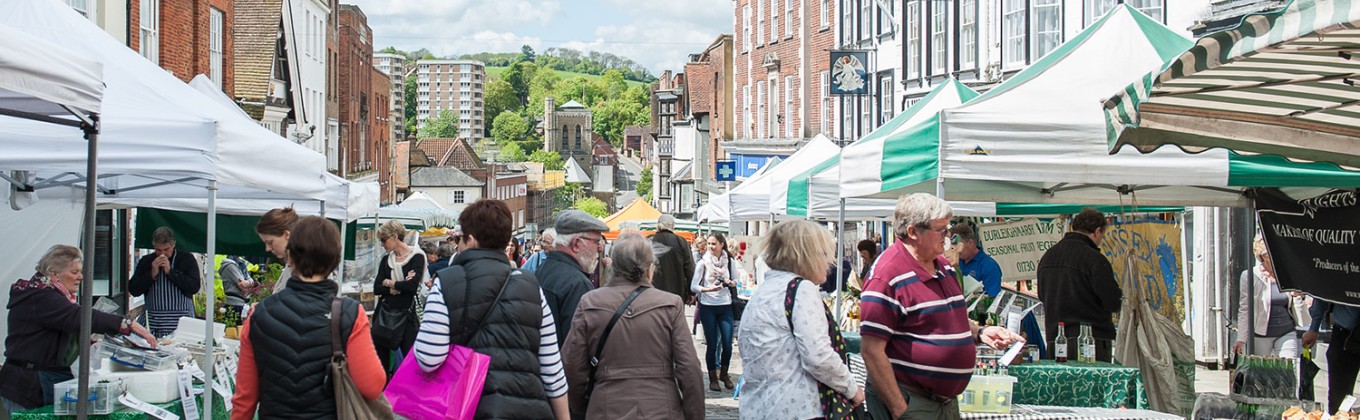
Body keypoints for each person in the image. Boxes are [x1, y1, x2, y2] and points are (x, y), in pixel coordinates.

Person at [860, 194, 1022, 420]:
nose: (948, 237)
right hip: (911, 400)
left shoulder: (943, 266)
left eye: (948, 229)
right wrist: (900, 409)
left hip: (943, 404)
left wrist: (980, 333)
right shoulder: (886, 277)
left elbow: (952, 319)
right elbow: (871, 351)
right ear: (913, 231)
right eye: (941, 230)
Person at [415, 199, 570, 419]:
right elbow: (552, 370)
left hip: (470, 407)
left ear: (471, 239)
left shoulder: (447, 282)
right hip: (528, 410)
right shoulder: (531, 286)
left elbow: (429, 358)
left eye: (460, 239)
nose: (458, 245)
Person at [231, 217, 386, 419]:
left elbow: (245, 399)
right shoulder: (349, 313)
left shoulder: (260, 314)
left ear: (291, 256)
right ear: (335, 258)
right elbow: (372, 386)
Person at [561, 234, 704, 419]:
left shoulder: (590, 302)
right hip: (661, 408)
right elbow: (689, 367)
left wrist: (581, 409)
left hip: (606, 407)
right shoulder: (670, 304)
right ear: (649, 268)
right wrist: (695, 415)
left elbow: (572, 367)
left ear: (612, 265)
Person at [0, 245, 156, 413]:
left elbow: (54, 333)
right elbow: (77, 317)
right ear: (54, 274)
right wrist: (127, 324)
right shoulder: (41, 296)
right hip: (27, 385)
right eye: (74, 272)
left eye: (80, 271)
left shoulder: (50, 294)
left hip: (39, 379)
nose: (81, 277)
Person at [738, 220, 865, 418]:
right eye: (825, 254)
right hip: (797, 408)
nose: (829, 263)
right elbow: (818, 356)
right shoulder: (800, 289)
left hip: (760, 407)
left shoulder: (765, 290)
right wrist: (853, 389)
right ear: (807, 256)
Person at [1036, 208, 1121, 363]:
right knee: (1093, 386)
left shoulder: (1048, 256)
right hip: (1091, 341)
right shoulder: (1095, 259)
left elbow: (1042, 295)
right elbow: (1112, 301)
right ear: (1097, 231)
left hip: (1055, 338)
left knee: (1060, 386)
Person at [536, 210, 609, 341]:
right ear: (576, 244)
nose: (600, 248)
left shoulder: (543, 269)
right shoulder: (577, 284)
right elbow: (577, 345)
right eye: (596, 242)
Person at [371, 220, 425, 375]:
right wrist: (397, 286)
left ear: (395, 237)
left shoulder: (416, 257)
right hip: (384, 315)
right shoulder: (386, 260)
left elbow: (412, 287)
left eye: (384, 240)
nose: (382, 244)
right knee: (381, 363)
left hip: (406, 316)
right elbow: (376, 288)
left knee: (411, 360)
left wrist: (389, 282)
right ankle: (384, 393)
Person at [1234, 238, 1304, 358]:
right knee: (1261, 372)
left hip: (1286, 331)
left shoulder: (1288, 273)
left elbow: (1298, 300)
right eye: (1268, 255)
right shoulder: (1250, 276)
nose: (1274, 258)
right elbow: (1245, 309)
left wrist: (1297, 296)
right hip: (1260, 334)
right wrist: (1241, 338)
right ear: (1261, 257)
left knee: (1287, 369)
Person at [129, 227, 201, 337]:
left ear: (173, 245)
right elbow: (134, 290)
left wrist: (170, 272)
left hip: (181, 321)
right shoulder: (146, 261)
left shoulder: (187, 259)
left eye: (166, 249)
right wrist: (151, 275)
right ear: (154, 246)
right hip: (153, 322)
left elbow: (194, 287)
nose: (162, 254)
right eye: (158, 250)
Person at [691, 232, 738, 391]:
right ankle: (713, 378)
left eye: (713, 244)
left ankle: (724, 373)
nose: (710, 247)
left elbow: (736, 280)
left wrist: (731, 283)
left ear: (721, 244)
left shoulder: (730, 261)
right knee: (712, 344)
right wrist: (707, 289)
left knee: (727, 343)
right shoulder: (703, 263)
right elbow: (694, 286)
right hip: (708, 305)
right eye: (709, 244)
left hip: (725, 305)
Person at [651, 214, 696, 302]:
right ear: (673, 226)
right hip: (676, 292)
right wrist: (691, 292)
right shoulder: (681, 242)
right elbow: (689, 269)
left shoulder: (648, 241)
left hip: (653, 291)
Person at [254, 208, 299, 292]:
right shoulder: (291, 264)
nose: (267, 249)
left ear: (286, 234)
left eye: (270, 242)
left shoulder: (308, 266)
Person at [952, 224, 1002, 297]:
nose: (957, 249)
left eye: (959, 245)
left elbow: (993, 299)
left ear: (971, 243)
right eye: (953, 246)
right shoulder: (955, 260)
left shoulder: (989, 267)